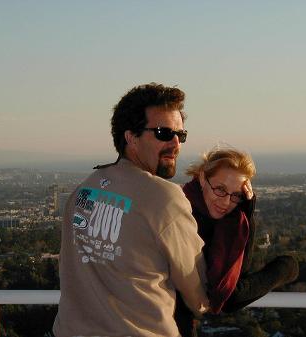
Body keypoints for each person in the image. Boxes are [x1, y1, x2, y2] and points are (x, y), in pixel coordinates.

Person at [53, 83, 209, 337]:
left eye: (180, 135)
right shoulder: (164, 197)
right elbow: (199, 295)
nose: (175, 144)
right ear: (130, 138)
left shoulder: (84, 190)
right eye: (163, 133)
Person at [174, 148, 299, 337]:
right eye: (220, 189)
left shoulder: (222, 220)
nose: (226, 202)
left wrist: (246, 213)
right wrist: (286, 269)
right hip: (159, 323)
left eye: (236, 195)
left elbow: (236, 277)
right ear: (202, 178)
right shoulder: (182, 213)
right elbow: (232, 296)